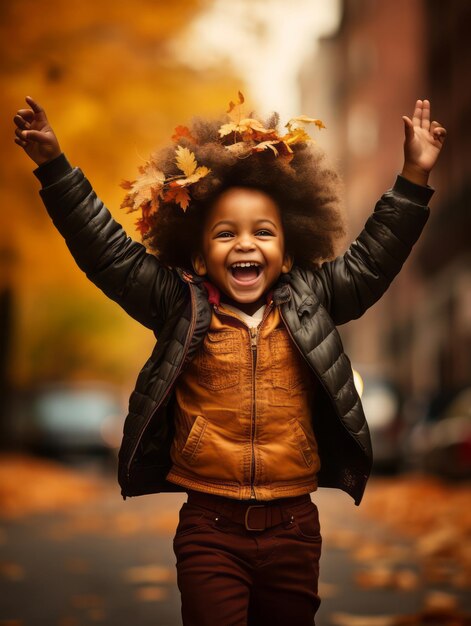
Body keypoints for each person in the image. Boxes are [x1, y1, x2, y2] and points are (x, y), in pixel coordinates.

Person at [14, 95, 446, 625]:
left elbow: (374, 258)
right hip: (209, 528)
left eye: (263, 232)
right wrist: (55, 169)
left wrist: (413, 176)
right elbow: (107, 252)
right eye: (226, 233)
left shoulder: (314, 299)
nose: (246, 243)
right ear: (198, 254)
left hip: (294, 527)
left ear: (288, 252)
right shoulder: (180, 304)